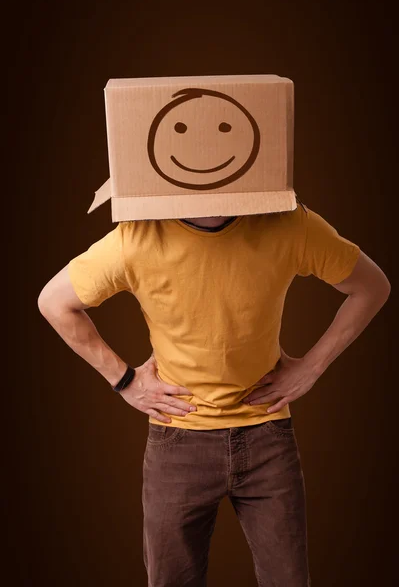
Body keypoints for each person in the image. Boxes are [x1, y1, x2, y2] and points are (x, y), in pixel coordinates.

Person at [37, 199, 390, 586]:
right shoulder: (138, 237)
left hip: (266, 435)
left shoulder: (289, 224)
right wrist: (125, 381)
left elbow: (372, 286)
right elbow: (54, 302)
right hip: (177, 439)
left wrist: (313, 366)